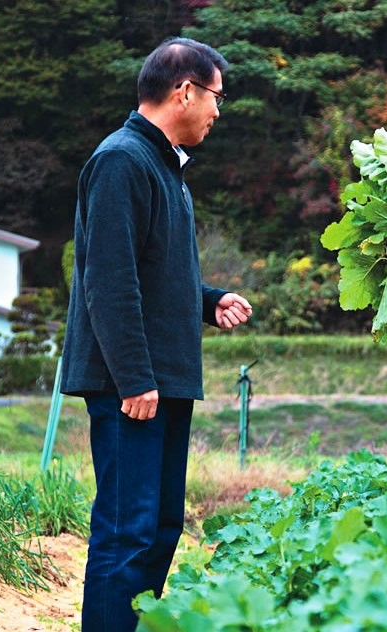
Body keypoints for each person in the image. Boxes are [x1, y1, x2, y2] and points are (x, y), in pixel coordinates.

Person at [60, 37, 252, 630]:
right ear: (185, 91)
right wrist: (134, 377)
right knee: (128, 532)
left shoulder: (163, 165)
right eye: (216, 96)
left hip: (162, 379)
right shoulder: (122, 160)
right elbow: (108, 279)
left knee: (162, 527)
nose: (218, 110)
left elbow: (152, 271)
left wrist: (209, 301)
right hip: (133, 386)